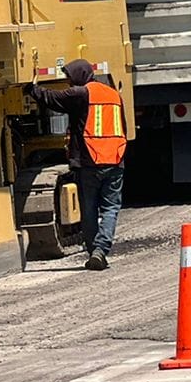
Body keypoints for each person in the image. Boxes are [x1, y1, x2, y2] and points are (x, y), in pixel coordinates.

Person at [28, 58, 127, 271]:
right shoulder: (114, 95)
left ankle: (95, 251)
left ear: (79, 76)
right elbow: (123, 128)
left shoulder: (82, 94)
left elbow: (52, 99)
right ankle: (101, 250)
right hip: (115, 159)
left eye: (70, 78)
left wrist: (31, 88)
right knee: (111, 208)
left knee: (89, 208)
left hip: (89, 161)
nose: (69, 83)